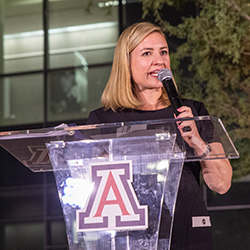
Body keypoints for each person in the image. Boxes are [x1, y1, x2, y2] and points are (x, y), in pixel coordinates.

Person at [86, 22, 233, 250]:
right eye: (147, 53)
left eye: (163, 52)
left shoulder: (192, 112)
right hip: (128, 237)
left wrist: (197, 141)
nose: (159, 60)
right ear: (126, 63)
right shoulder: (103, 121)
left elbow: (221, 184)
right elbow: (94, 193)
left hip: (188, 234)